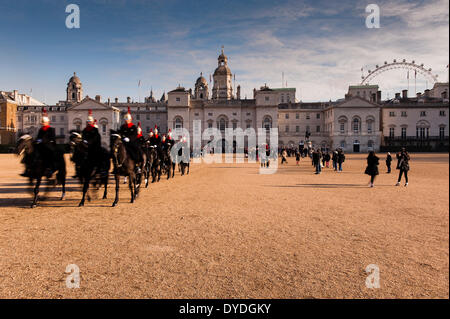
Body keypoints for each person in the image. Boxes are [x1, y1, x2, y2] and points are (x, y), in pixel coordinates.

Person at [118, 107, 143, 172]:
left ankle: (137, 166)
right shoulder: (122, 127)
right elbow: (120, 133)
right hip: (123, 143)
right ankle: (117, 166)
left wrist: (129, 138)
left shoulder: (133, 127)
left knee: (136, 150)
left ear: (130, 120)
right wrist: (122, 138)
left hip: (131, 143)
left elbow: (135, 135)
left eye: (127, 119)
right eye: (125, 119)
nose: (126, 121)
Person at [35, 110, 57, 178]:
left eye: (44, 122)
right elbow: (38, 137)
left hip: (49, 146)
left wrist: (45, 141)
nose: (43, 123)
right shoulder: (41, 130)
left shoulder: (51, 129)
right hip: (41, 145)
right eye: (42, 122)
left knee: (50, 155)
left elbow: (53, 138)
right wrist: (38, 141)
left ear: (47, 122)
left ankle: (50, 168)